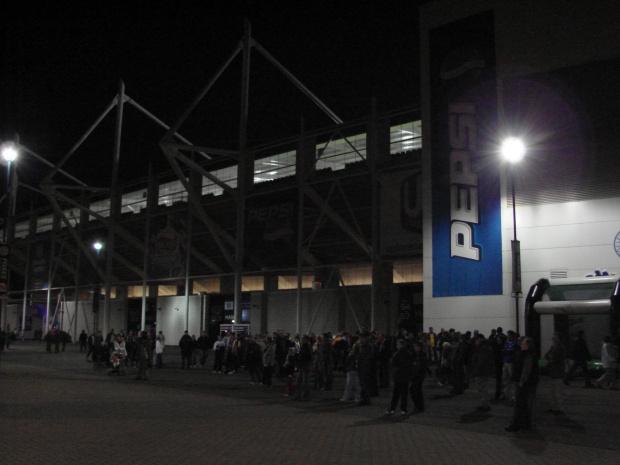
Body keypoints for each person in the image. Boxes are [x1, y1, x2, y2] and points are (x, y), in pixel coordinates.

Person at [506, 337, 539, 432]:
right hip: (525, 381)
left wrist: (522, 381)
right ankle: (524, 421)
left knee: (524, 402)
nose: (521, 345)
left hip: (525, 382)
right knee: (524, 402)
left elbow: (526, 369)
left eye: (523, 344)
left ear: (527, 346)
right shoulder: (525, 354)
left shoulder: (528, 355)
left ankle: (522, 422)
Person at [386, 339, 412, 415]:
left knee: (396, 393)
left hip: (398, 376)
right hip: (405, 376)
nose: (397, 346)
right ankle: (403, 409)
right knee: (404, 394)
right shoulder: (408, 353)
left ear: (401, 345)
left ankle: (392, 409)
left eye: (398, 345)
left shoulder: (397, 353)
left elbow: (392, 363)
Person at [470, 334, 495, 412]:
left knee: (482, 388)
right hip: (483, 370)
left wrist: (476, 368)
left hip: (482, 371)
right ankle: (484, 404)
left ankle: (485, 405)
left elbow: (481, 361)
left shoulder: (483, 348)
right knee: (482, 388)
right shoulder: (485, 347)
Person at [544, 333, 567, 415]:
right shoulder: (554, 347)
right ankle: (554, 407)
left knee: (557, 392)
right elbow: (547, 356)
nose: (553, 340)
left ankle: (560, 408)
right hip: (553, 372)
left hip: (558, 372)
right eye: (553, 338)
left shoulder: (560, 348)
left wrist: (550, 359)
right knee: (553, 392)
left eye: (555, 338)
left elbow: (554, 358)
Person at [410, 340, 428, 413]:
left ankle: (419, 406)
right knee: (413, 390)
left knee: (417, 390)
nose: (414, 348)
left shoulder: (422, 355)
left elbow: (422, 365)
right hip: (414, 375)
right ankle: (417, 405)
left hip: (419, 375)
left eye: (416, 346)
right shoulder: (414, 354)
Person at [357, 332, 374, 405]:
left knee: (365, 383)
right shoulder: (362, 345)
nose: (360, 339)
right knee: (362, 383)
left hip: (365, 367)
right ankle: (364, 398)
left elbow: (368, 357)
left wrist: (364, 365)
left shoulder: (368, 346)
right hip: (362, 366)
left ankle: (366, 399)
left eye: (361, 338)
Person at [295, 334, 313, 401]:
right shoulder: (302, 346)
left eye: (303, 339)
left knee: (305, 382)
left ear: (306, 340)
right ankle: (298, 395)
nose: (301, 340)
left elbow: (310, 357)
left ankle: (305, 396)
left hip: (305, 366)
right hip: (302, 366)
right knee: (299, 381)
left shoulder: (307, 347)